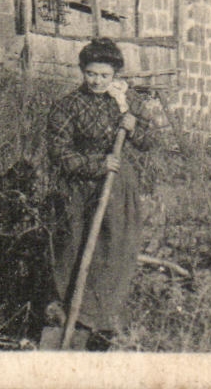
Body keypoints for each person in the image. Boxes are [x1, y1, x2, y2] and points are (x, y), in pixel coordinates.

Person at [44, 38, 155, 346]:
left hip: (118, 189)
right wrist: (98, 163)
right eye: (91, 73)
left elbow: (148, 141)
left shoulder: (126, 100)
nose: (97, 81)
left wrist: (130, 122)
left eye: (104, 75)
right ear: (82, 71)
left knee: (114, 251)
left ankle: (103, 321)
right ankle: (70, 319)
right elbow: (59, 154)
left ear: (115, 74)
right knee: (72, 251)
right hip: (78, 190)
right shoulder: (67, 106)